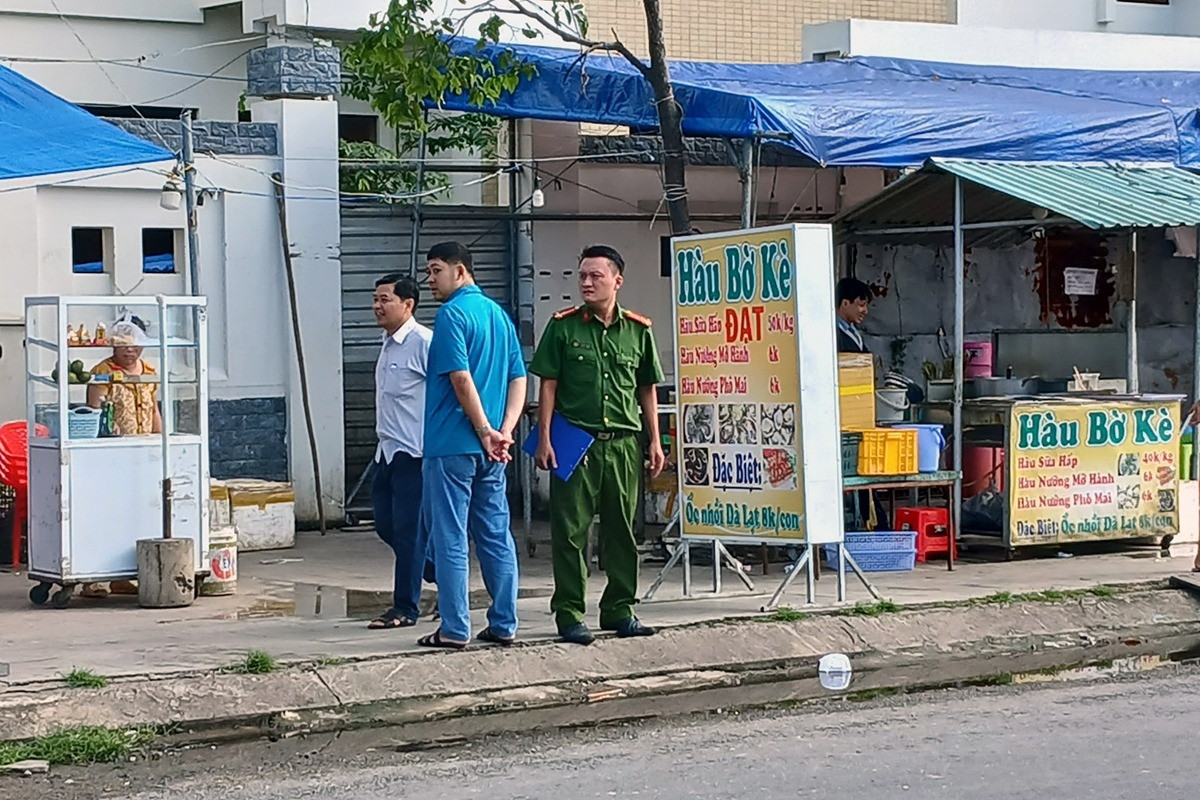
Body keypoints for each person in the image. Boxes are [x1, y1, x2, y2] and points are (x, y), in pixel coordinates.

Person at [529, 244, 666, 646]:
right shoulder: (564, 326)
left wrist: (655, 440)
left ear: (617, 281)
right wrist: (545, 438)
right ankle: (570, 613)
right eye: (582, 276)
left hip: (623, 443)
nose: (587, 283)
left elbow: (647, 388)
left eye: (596, 276)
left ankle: (620, 608)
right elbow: (548, 384)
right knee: (571, 532)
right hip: (578, 443)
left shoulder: (638, 330)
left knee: (623, 531)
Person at [418, 241, 527, 650]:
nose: (430, 280)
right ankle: (504, 622)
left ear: (459, 271)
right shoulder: (499, 316)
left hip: (451, 444)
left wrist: (484, 429)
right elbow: (519, 378)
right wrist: (504, 430)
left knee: (449, 536)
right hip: (491, 450)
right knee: (496, 534)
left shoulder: (452, 315)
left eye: (435, 271)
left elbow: (460, 378)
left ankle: (454, 627)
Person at [368, 274, 435, 630]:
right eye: (376, 299)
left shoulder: (424, 343)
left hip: (415, 451)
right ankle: (442, 574)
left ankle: (404, 608)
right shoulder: (387, 342)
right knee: (386, 526)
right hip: (387, 450)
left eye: (385, 299)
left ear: (408, 304)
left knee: (409, 532)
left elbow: (450, 389)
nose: (377, 306)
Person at [86, 316, 162, 436]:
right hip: (114, 443)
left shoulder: (149, 372)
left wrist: (158, 437)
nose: (130, 349)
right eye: (124, 344)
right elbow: (95, 411)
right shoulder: (102, 371)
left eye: (135, 343)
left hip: (146, 444)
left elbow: (154, 411)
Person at [836, 277, 872, 354]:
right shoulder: (834, 334)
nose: (866, 311)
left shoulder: (853, 331)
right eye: (862, 305)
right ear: (845, 303)